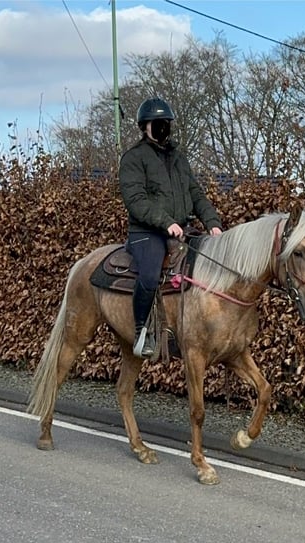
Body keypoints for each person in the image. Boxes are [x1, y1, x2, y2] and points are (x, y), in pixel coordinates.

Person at [119, 97, 223, 358]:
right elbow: (136, 200)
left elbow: (195, 193)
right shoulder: (133, 158)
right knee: (151, 276)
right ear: (145, 127)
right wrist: (166, 222)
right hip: (146, 233)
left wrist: (212, 223)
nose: (163, 127)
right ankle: (142, 330)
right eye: (158, 123)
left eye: (166, 123)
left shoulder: (179, 158)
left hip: (181, 228)